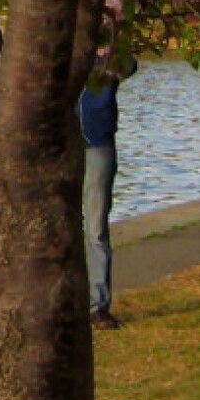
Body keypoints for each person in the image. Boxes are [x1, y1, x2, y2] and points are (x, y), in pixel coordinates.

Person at [79, 53, 123, 330]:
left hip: (97, 146)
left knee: (96, 229)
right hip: (62, 145)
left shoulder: (110, 55)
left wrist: (109, 50)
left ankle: (98, 306)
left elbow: (128, 65)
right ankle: (66, 302)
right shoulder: (62, 48)